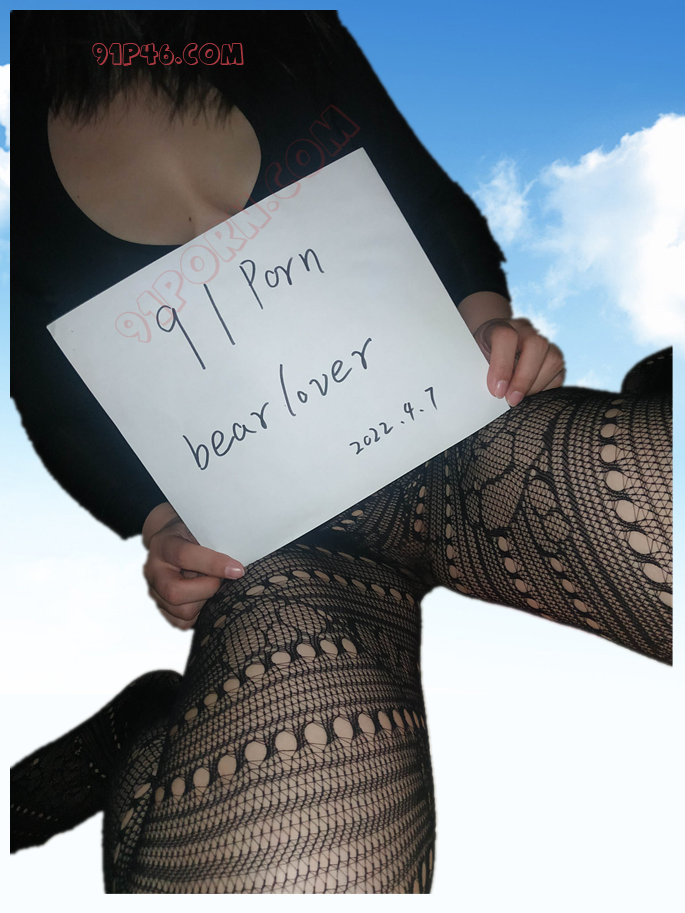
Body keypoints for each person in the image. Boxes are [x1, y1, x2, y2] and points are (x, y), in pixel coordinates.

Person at [10, 10, 672, 894]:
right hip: (274, 546)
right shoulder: (32, 108)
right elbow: (47, 388)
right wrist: (158, 519)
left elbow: (423, 194)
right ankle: (143, 743)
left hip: (452, 431)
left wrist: (485, 320)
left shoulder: (285, 27)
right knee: (293, 870)